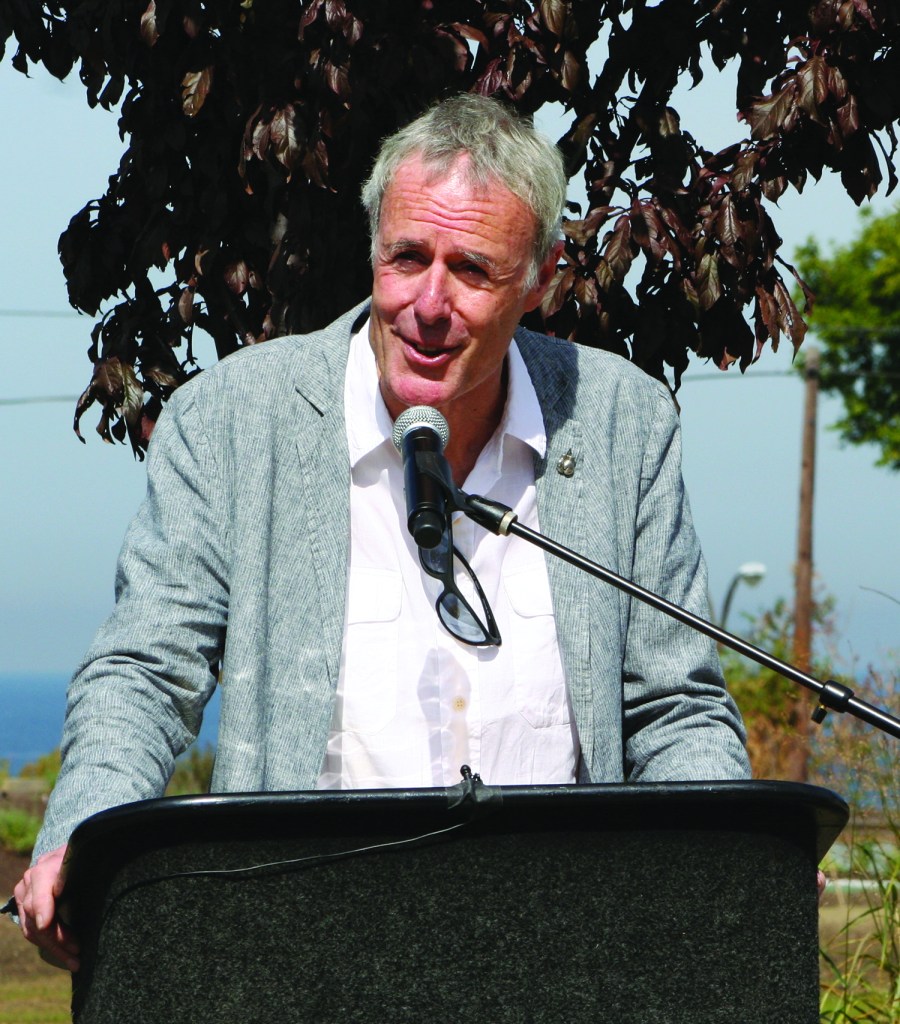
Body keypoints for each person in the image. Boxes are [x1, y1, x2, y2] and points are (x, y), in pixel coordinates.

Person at [10, 93, 750, 971]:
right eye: (406, 258)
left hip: (563, 963)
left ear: (539, 278)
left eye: (472, 270)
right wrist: (80, 838)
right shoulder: (234, 419)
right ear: (373, 250)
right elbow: (144, 672)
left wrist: (740, 855)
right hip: (296, 954)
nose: (427, 304)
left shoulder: (623, 423)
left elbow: (675, 705)